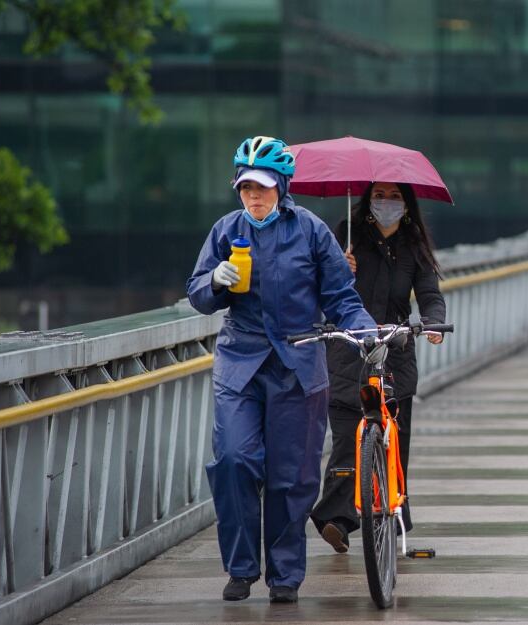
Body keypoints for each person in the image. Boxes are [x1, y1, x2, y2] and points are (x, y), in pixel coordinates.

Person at [186, 136, 376, 603]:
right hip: (240, 363)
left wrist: (364, 328)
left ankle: (285, 575)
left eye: (264, 187)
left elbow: (341, 297)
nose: (254, 196)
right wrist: (214, 281)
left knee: (292, 477)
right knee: (233, 460)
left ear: (282, 187)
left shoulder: (311, 231)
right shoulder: (226, 230)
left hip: (298, 364)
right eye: (247, 187)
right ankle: (241, 567)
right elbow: (198, 294)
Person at [310, 181, 446, 552]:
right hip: (348, 350)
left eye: (395, 196)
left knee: (395, 438)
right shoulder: (347, 234)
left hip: (395, 350)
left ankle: (394, 513)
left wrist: (434, 323)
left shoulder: (414, 245)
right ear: (368, 199)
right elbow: (318, 285)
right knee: (346, 441)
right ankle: (337, 520)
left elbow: (430, 294)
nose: (387, 202)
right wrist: (339, 268)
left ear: (407, 203)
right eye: (380, 195)